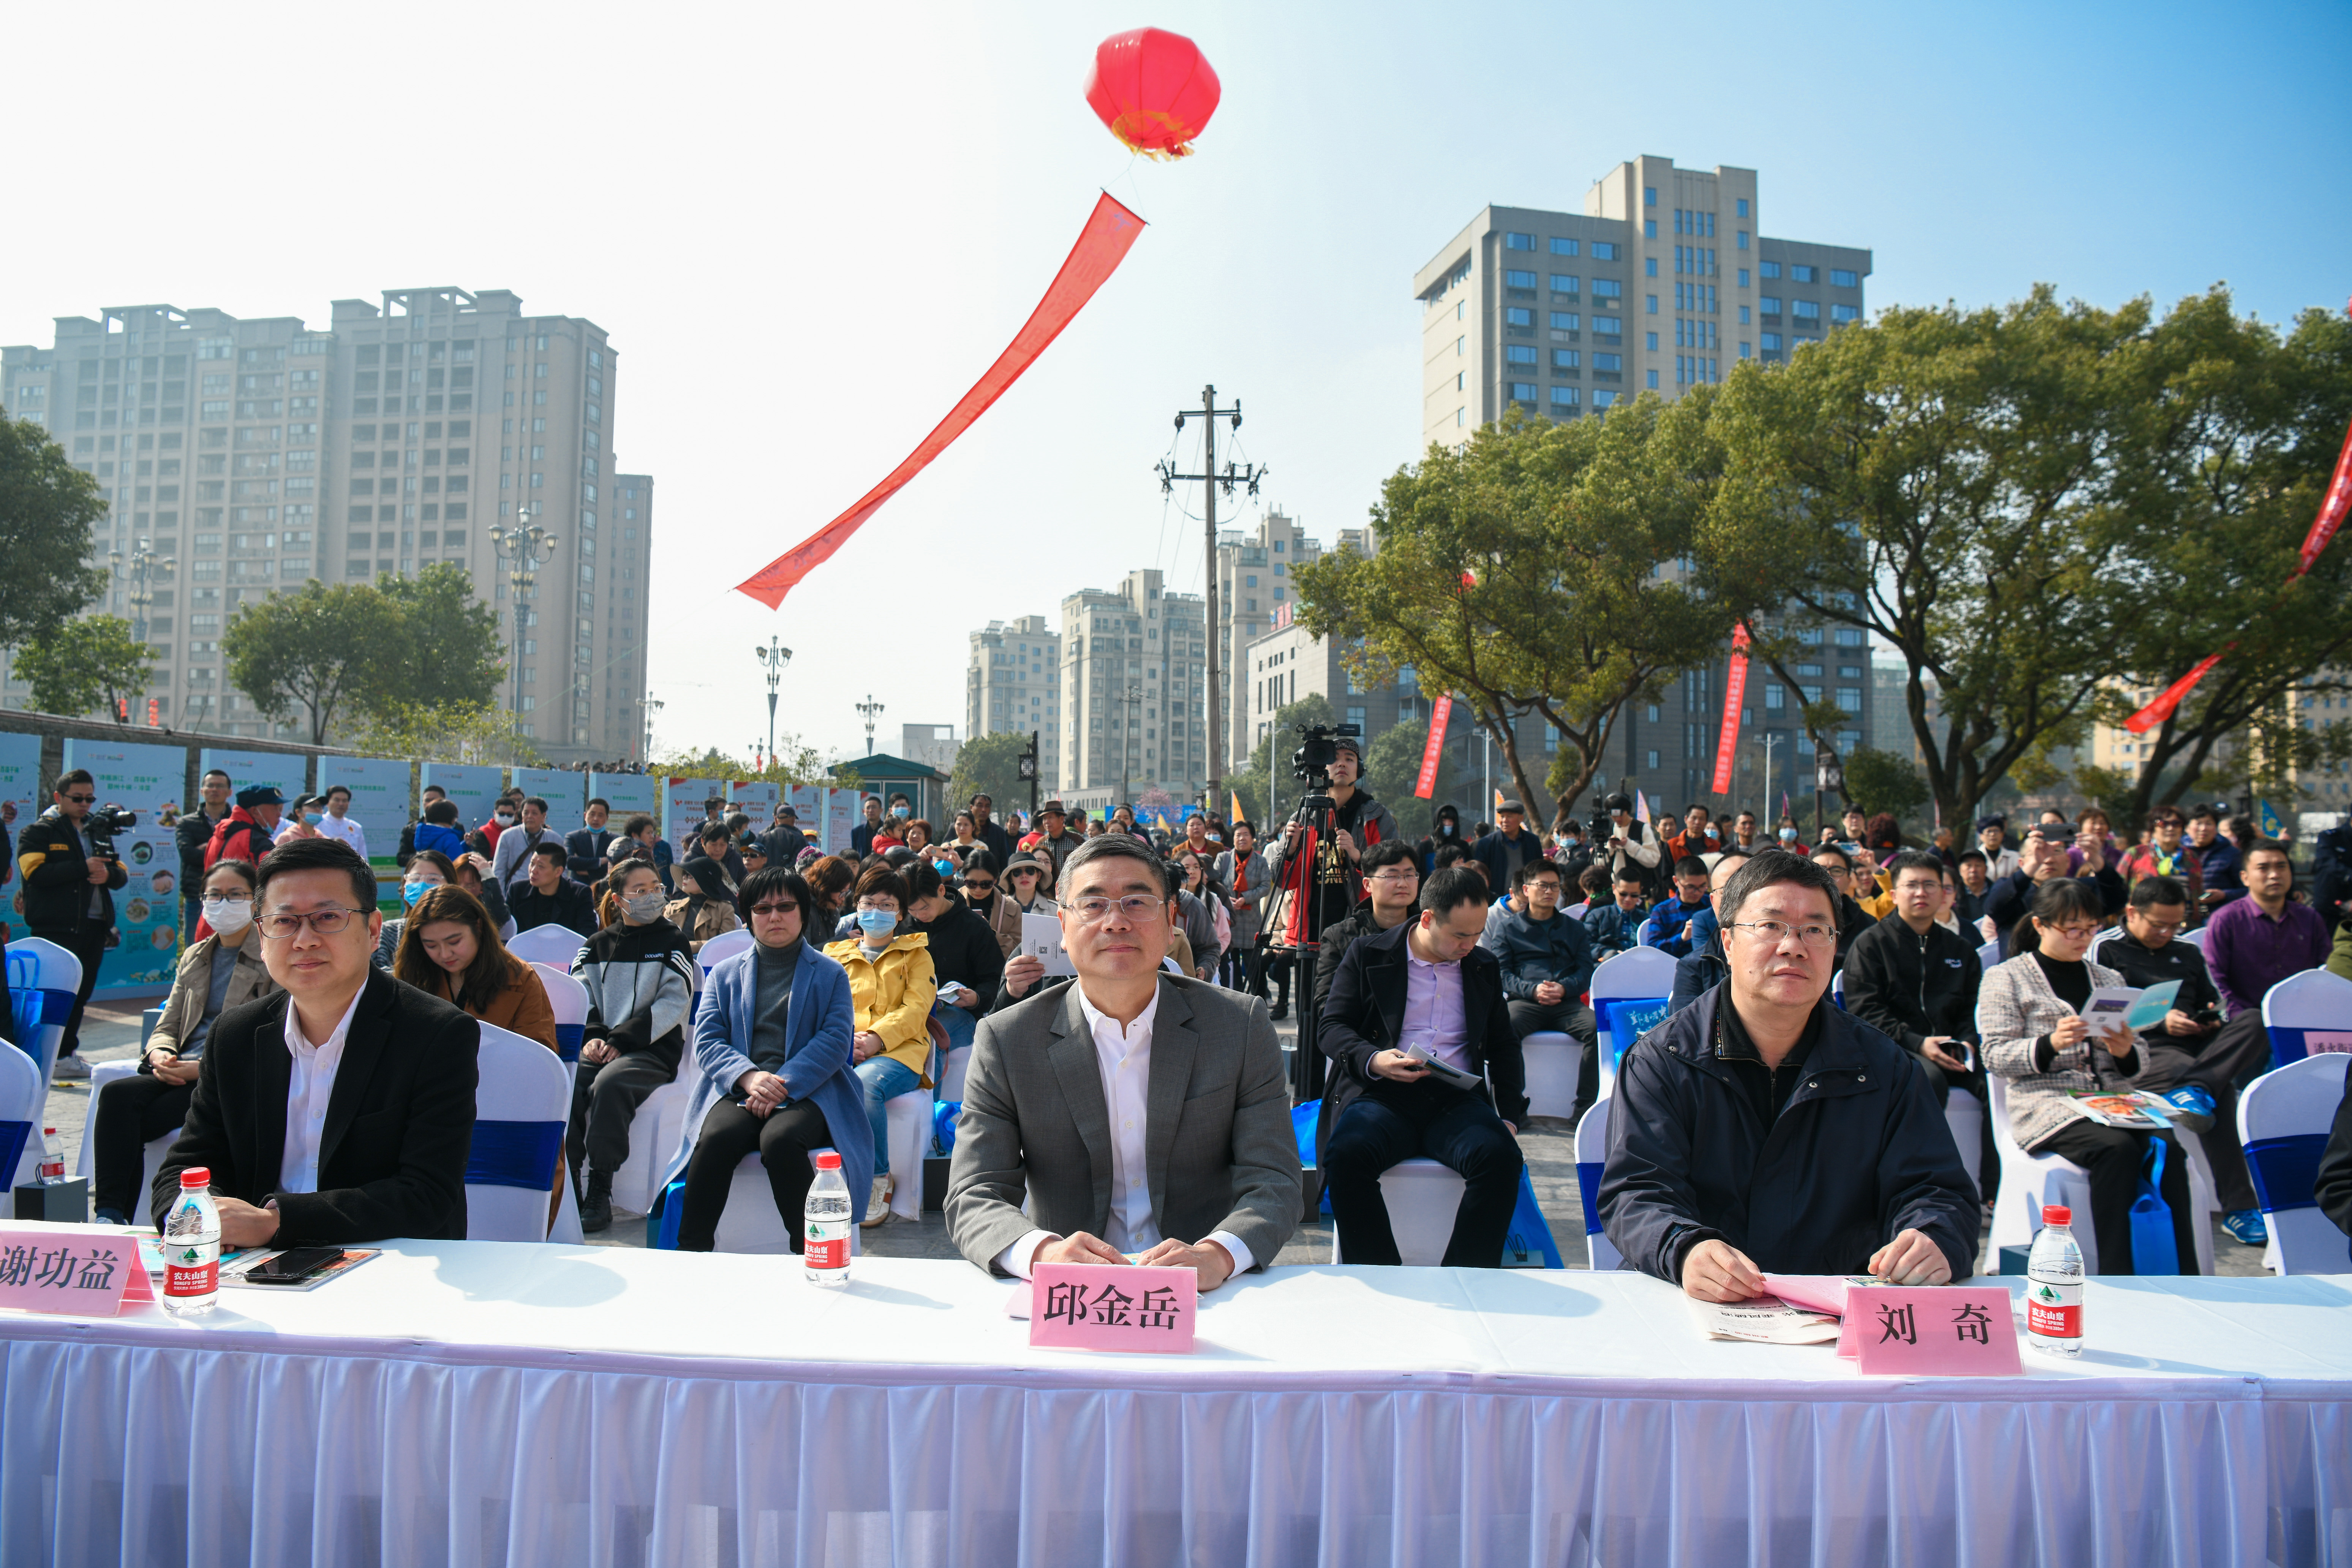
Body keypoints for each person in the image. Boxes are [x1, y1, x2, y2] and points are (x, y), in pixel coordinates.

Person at [1601, 849, 1981, 1295]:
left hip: (1838, 1311)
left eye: (1815, 930)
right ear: (1728, 941)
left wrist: (1933, 1237)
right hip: (1698, 1305)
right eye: (1771, 926)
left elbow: (1938, 1191)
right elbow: (1636, 1192)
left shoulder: (1886, 1068)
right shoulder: (1663, 1061)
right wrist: (1685, 1249)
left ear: (1835, 945)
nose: (1793, 946)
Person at [945, 833, 1299, 1288]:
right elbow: (974, 1193)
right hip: (1070, 1293)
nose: (1116, 922)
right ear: (1062, 927)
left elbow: (1275, 1180)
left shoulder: (1239, 1026)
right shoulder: (1008, 1038)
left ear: (1171, 919)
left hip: (1208, 1289)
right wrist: (1043, 1253)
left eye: (1137, 902)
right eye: (1093, 906)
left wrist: (1219, 1255)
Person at [152, 837, 480, 1244]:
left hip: (389, 1266)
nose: (304, 940)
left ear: (374, 929)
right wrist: (205, 1217)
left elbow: (427, 1194)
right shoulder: (235, 1034)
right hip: (251, 1271)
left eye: (327, 918)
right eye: (285, 921)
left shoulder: (436, 1033)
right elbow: (183, 1170)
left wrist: (276, 1223)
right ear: (262, 932)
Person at [1979, 878, 2199, 1273]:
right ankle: (2119, 1274)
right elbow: (1995, 1055)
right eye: (2072, 929)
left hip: (2111, 1100)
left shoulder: (2107, 979)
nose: (2083, 938)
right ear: (2042, 925)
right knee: (2117, 1151)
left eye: (2091, 928)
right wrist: (2050, 1043)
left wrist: (2124, 1051)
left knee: (2167, 1149)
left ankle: (2182, 1272)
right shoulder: (2007, 977)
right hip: (2047, 1103)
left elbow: (2139, 1059)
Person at [1316, 866, 1526, 1266]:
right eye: (1461, 935)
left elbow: (1503, 1045)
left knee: (1501, 1158)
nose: (1471, 944)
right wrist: (1375, 1059)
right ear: (1427, 919)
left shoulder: (1481, 965)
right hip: (1383, 1095)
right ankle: (1380, 1274)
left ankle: (1467, 1276)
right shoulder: (1369, 953)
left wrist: (1511, 1117)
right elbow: (1331, 1027)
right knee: (1346, 1157)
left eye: (1478, 933)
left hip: (1456, 1100)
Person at [663, 869, 865, 1252]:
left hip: (812, 1092)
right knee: (717, 1140)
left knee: (782, 1140)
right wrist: (751, 1078)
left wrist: (780, 1084)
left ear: (803, 913)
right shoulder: (724, 974)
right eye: (763, 908)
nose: (775, 917)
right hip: (742, 1089)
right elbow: (708, 1041)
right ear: (748, 917)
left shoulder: (829, 973)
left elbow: (835, 1042)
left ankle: (813, 1252)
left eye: (786, 907)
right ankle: (691, 1254)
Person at [90, 859, 278, 1224]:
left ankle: (119, 1216)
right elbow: (169, 1021)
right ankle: (109, 1216)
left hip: (226, 1076)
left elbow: (270, 1032)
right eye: (215, 895)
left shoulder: (271, 956)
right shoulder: (196, 955)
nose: (223, 904)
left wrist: (203, 1068)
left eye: (235, 895)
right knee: (117, 1095)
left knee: (131, 1119)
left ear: (256, 902)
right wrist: (159, 1051)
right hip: (178, 1068)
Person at [2087, 874, 2267, 1243]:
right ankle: (2240, 1208)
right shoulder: (2104, 949)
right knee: (2219, 1092)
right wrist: (2159, 1019)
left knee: (2255, 1020)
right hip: (2142, 1052)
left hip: (2195, 1049)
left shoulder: (2186, 951)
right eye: (2159, 925)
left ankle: (2194, 1089)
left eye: (2176, 925)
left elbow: (2214, 1003)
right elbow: (2094, 1015)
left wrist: (2207, 1020)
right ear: (2132, 912)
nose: (2167, 933)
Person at [568, 860, 697, 1232]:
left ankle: (600, 1187)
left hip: (650, 1051)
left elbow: (674, 1004)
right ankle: (569, 1178)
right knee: (570, 1080)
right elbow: (581, 996)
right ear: (619, 899)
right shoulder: (595, 947)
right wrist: (593, 1036)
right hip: (598, 1047)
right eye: (640, 890)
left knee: (611, 1083)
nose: (652, 896)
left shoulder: (672, 942)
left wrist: (622, 1040)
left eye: (656, 887)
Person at [824, 863, 939, 1226]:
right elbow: (825, 1006)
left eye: (887, 905)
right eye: (869, 903)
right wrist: (846, 1042)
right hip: (843, 1048)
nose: (876, 912)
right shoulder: (834, 954)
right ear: (856, 907)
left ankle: (876, 1177)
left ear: (901, 913)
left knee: (864, 1085)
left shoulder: (917, 955)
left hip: (899, 1053)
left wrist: (876, 1039)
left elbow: (917, 1009)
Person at [1844, 850, 1985, 1096]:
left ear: (1943, 893)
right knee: (1928, 1080)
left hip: (1953, 1049)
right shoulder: (1872, 945)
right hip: (1895, 1047)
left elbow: (1972, 1006)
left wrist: (1967, 1043)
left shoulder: (1961, 949)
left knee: (1997, 1080)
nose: (1921, 893)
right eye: (1912, 885)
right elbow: (1864, 1011)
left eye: (1930, 885)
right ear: (1894, 895)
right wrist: (1918, 1043)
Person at [19, 768, 128, 1080]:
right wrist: (83, 868)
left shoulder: (98, 830)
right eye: (77, 798)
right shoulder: (39, 831)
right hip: (55, 929)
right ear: (58, 797)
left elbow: (120, 873)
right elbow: (34, 874)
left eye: (90, 798)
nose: (84, 804)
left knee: (80, 995)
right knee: (51, 997)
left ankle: (65, 1055)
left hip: (94, 926)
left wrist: (109, 875)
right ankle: (35, 1059)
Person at [1484, 855, 1601, 1119]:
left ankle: (1585, 1109)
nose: (1550, 892)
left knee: (1597, 1028)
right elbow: (1502, 973)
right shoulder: (1508, 928)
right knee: (1505, 1028)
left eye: (1555, 886)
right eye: (1543, 885)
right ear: (1526, 889)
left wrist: (1563, 988)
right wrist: (1532, 990)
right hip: (1524, 1001)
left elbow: (1585, 971)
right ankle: (1514, 1109)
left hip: (1567, 1002)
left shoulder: (1575, 928)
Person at [394, 885, 558, 1053]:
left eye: (454, 942)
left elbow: (541, 1057)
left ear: (478, 927)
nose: (445, 954)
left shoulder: (520, 978)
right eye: (431, 945)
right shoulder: (414, 976)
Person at [2204, 837, 2332, 1032]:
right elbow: (2216, 981)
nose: (2274, 875)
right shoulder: (2226, 920)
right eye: (2263, 868)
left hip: (2304, 1021)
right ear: (2245, 877)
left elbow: (2325, 972)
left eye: (2282, 867)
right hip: (2246, 1025)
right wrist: (2240, 1019)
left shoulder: (2310, 919)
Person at [1313, 840, 1423, 1022]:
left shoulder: (1427, 931)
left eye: (1410, 875)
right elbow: (1328, 1006)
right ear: (1367, 885)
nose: (1403, 883)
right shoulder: (1339, 938)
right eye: (1392, 876)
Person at [1665, 850, 1750, 1012]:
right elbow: (1684, 1033)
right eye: (1728, 891)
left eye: (1749, 889)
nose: (1739, 900)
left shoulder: (1793, 953)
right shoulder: (1693, 967)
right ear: (1713, 902)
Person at [1215, 821, 1271, 993]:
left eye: (1246, 834)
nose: (1242, 838)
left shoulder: (1260, 861)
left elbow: (1265, 886)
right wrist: (1227, 898)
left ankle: (1260, 997)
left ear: (1253, 838)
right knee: (1233, 965)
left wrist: (1246, 898)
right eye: (1238, 835)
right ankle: (1236, 999)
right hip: (1229, 920)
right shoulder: (1223, 859)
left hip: (1251, 920)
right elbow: (1214, 882)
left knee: (1253, 963)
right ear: (1233, 839)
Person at [176, 768, 232, 936]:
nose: (215, 790)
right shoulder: (186, 822)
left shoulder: (236, 823)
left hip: (231, 897)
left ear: (229, 792)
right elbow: (187, 854)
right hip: (196, 894)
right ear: (202, 791)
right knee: (195, 948)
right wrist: (220, 852)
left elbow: (238, 857)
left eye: (220, 786)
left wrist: (205, 848)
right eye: (210, 786)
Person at [2119, 806, 2205, 913]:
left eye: (2176, 824)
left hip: (2186, 921)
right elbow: (2118, 888)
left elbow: (2198, 890)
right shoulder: (2136, 854)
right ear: (2152, 828)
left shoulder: (2191, 856)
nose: (2170, 828)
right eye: (2163, 824)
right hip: (2146, 921)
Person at [510, 839, 600, 939]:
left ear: (558, 872)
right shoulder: (517, 891)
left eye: (541, 867)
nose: (533, 870)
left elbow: (588, 934)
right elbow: (505, 928)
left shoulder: (580, 894)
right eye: (532, 864)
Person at [661, 855, 742, 955]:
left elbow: (723, 945)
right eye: (684, 874)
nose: (684, 877)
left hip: (707, 964)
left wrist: (684, 946)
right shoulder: (672, 908)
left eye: (690, 874)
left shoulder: (724, 909)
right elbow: (662, 940)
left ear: (704, 880)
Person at [1639, 856, 1716, 956]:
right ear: (1676, 881)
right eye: (1690, 887)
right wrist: (1682, 938)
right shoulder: (1662, 911)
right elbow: (1653, 948)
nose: (1697, 892)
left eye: (1703, 886)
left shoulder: (1713, 904)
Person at [1597, 792, 1665, 901]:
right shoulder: (1608, 829)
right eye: (1614, 816)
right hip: (1615, 889)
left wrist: (1630, 845)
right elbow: (1600, 865)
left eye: (1621, 815)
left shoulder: (1642, 828)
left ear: (1627, 811)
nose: (1618, 819)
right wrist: (1610, 847)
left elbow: (1654, 859)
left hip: (1638, 891)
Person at [489, 797, 560, 894]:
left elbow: (561, 871)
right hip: (516, 894)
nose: (530, 817)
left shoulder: (555, 839)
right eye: (526, 813)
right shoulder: (508, 836)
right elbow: (499, 871)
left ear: (543, 816)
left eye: (534, 813)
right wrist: (501, 899)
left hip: (545, 894)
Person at [1468, 798, 1540, 892]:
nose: (1505, 821)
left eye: (1510, 817)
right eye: (1502, 817)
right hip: (1495, 899)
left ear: (1521, 819)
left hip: (1527, 896)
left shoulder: (1533, 841)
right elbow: (1479, 873)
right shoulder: (1487, 843)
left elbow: (1538, 870)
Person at [2186, 804, 2244, 913]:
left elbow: (2248, 890)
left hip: (2223, 915)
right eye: (2198, 824)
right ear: (2187, 828)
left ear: (2216, 829)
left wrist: (2224, 895)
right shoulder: (2178, 854)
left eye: (2209, 824)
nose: (2203, 829)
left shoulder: (2232, 854)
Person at [1583, 866, 1650, 959]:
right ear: (1614, 889)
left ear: (1640, 891)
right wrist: (1605, 953)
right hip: (1605, 965)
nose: (1628, 899)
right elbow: (1585, 943)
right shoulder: (1598, 915)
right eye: (1623, 894)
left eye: (1634, 895)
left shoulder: (1646, 920)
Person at [568, 797, 615, 884]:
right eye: (592, 814)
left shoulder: (614, 840)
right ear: (585, 816)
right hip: (578, 888)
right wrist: (601, 861)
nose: (596, 819)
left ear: (607, 819)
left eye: (600, 816)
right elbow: (570, 862)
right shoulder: (573, 837)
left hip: (604, 888)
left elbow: (615, 867)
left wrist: (587, 871)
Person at [311, 785, 367, 857]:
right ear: (328, 803)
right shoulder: (317, 824)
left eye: (344, 801)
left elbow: (363, 856)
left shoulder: (356, 827)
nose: (341, 804)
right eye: (337, 800)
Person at [411, 797, 470, 865]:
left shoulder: (423, 835)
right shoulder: (450, 838)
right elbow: (459, 864)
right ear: (452, 820)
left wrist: (465, 845)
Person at [967, 793, 1016, 868]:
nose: (984, 810)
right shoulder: (959, 829)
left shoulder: (999, 832)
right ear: (971, 807)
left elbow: (1004, 861)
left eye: (987, 806)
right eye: (980, 806)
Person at [758, 803, 809, 868]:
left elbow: (756, 860)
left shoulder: (764, 837)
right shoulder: (799, 838)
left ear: (776, 820)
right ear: (794, 819)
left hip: (765, 876)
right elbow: (800, 863)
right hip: (789, 877)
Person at [1976, 816, 2020, 880]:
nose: (1993, 834)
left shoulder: (2015, 857)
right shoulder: (1975, 857)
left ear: (2002, 834)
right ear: (1981, 835)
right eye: (1989, 831)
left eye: (1996, 831)